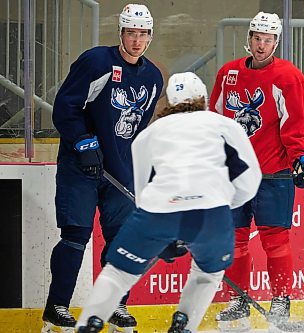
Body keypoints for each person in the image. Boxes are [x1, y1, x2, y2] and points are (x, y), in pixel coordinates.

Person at [75, 71, 262, 333]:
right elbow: (249, 180)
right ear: (204, 98)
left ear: (169, 102)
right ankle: (184, 323)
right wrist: (217, 203)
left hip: (158, 212)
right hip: (212, 213)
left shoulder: (149, 134)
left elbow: (143, 192)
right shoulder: (224, 125)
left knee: (118, 272)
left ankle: (90, 322)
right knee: (207, 274)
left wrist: (164, 232)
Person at [42, 4, 163, 333]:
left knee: (123, 239)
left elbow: (138, 130)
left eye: (143, 34)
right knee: (76, 235)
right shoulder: (97, 62)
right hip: (81, 165)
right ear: (120, 33)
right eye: (131, 33)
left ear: (150, 36)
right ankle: (57, 307)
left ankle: (116, 304)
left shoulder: (152, 77)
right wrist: (83, 141)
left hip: (119, 171)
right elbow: (66, 107)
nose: (137, 41)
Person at [210, 11, 304, 331]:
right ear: (249, 38)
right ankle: (238, 300)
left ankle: (281, 301)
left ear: (276, 41)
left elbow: (294, 123)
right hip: (235, 173)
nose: (261, 44)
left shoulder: (288, 76)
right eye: (257, 38)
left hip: (274, 173)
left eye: (268, 39)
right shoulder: (228, 73)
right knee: (235, 238)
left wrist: (301, 158)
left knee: (276, 240)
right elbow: (215, 118)